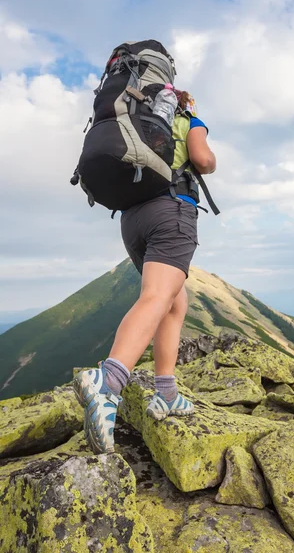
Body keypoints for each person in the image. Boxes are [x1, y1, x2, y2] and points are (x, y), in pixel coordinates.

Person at [73, 91, 216, 454]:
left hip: (132, 220)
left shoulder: (137, 123)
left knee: (172, 302)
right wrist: (208, 154)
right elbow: (202, 159)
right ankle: (108, 382)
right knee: (157, 297)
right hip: (171, 212)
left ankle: (166, 392)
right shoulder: (186, 120)